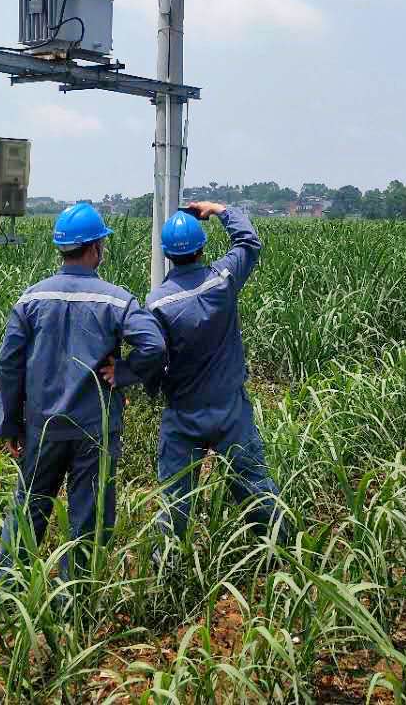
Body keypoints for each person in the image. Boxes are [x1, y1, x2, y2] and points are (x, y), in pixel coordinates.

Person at [0, 202, 166, 587]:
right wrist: (127, 372)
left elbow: (8, 363)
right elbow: (155, 346)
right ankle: (76, 598)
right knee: (89, 514)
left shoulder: (31, 299)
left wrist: (9, 425)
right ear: (95, 248)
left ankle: (2, 592)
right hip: (94, 429)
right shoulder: (117, 300)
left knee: (30, 507)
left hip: (41, 426)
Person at [117, 200, 282, 549]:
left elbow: (151, 353)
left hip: (184, 413)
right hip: (229, 408)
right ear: (201, 248)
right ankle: (281, 552)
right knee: (255, 488)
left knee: (175, 501)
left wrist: (124, 373)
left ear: (167, 254)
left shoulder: (157, 303)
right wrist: (220, 210)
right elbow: (249, 242)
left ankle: (169, 570)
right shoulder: (222, 282)